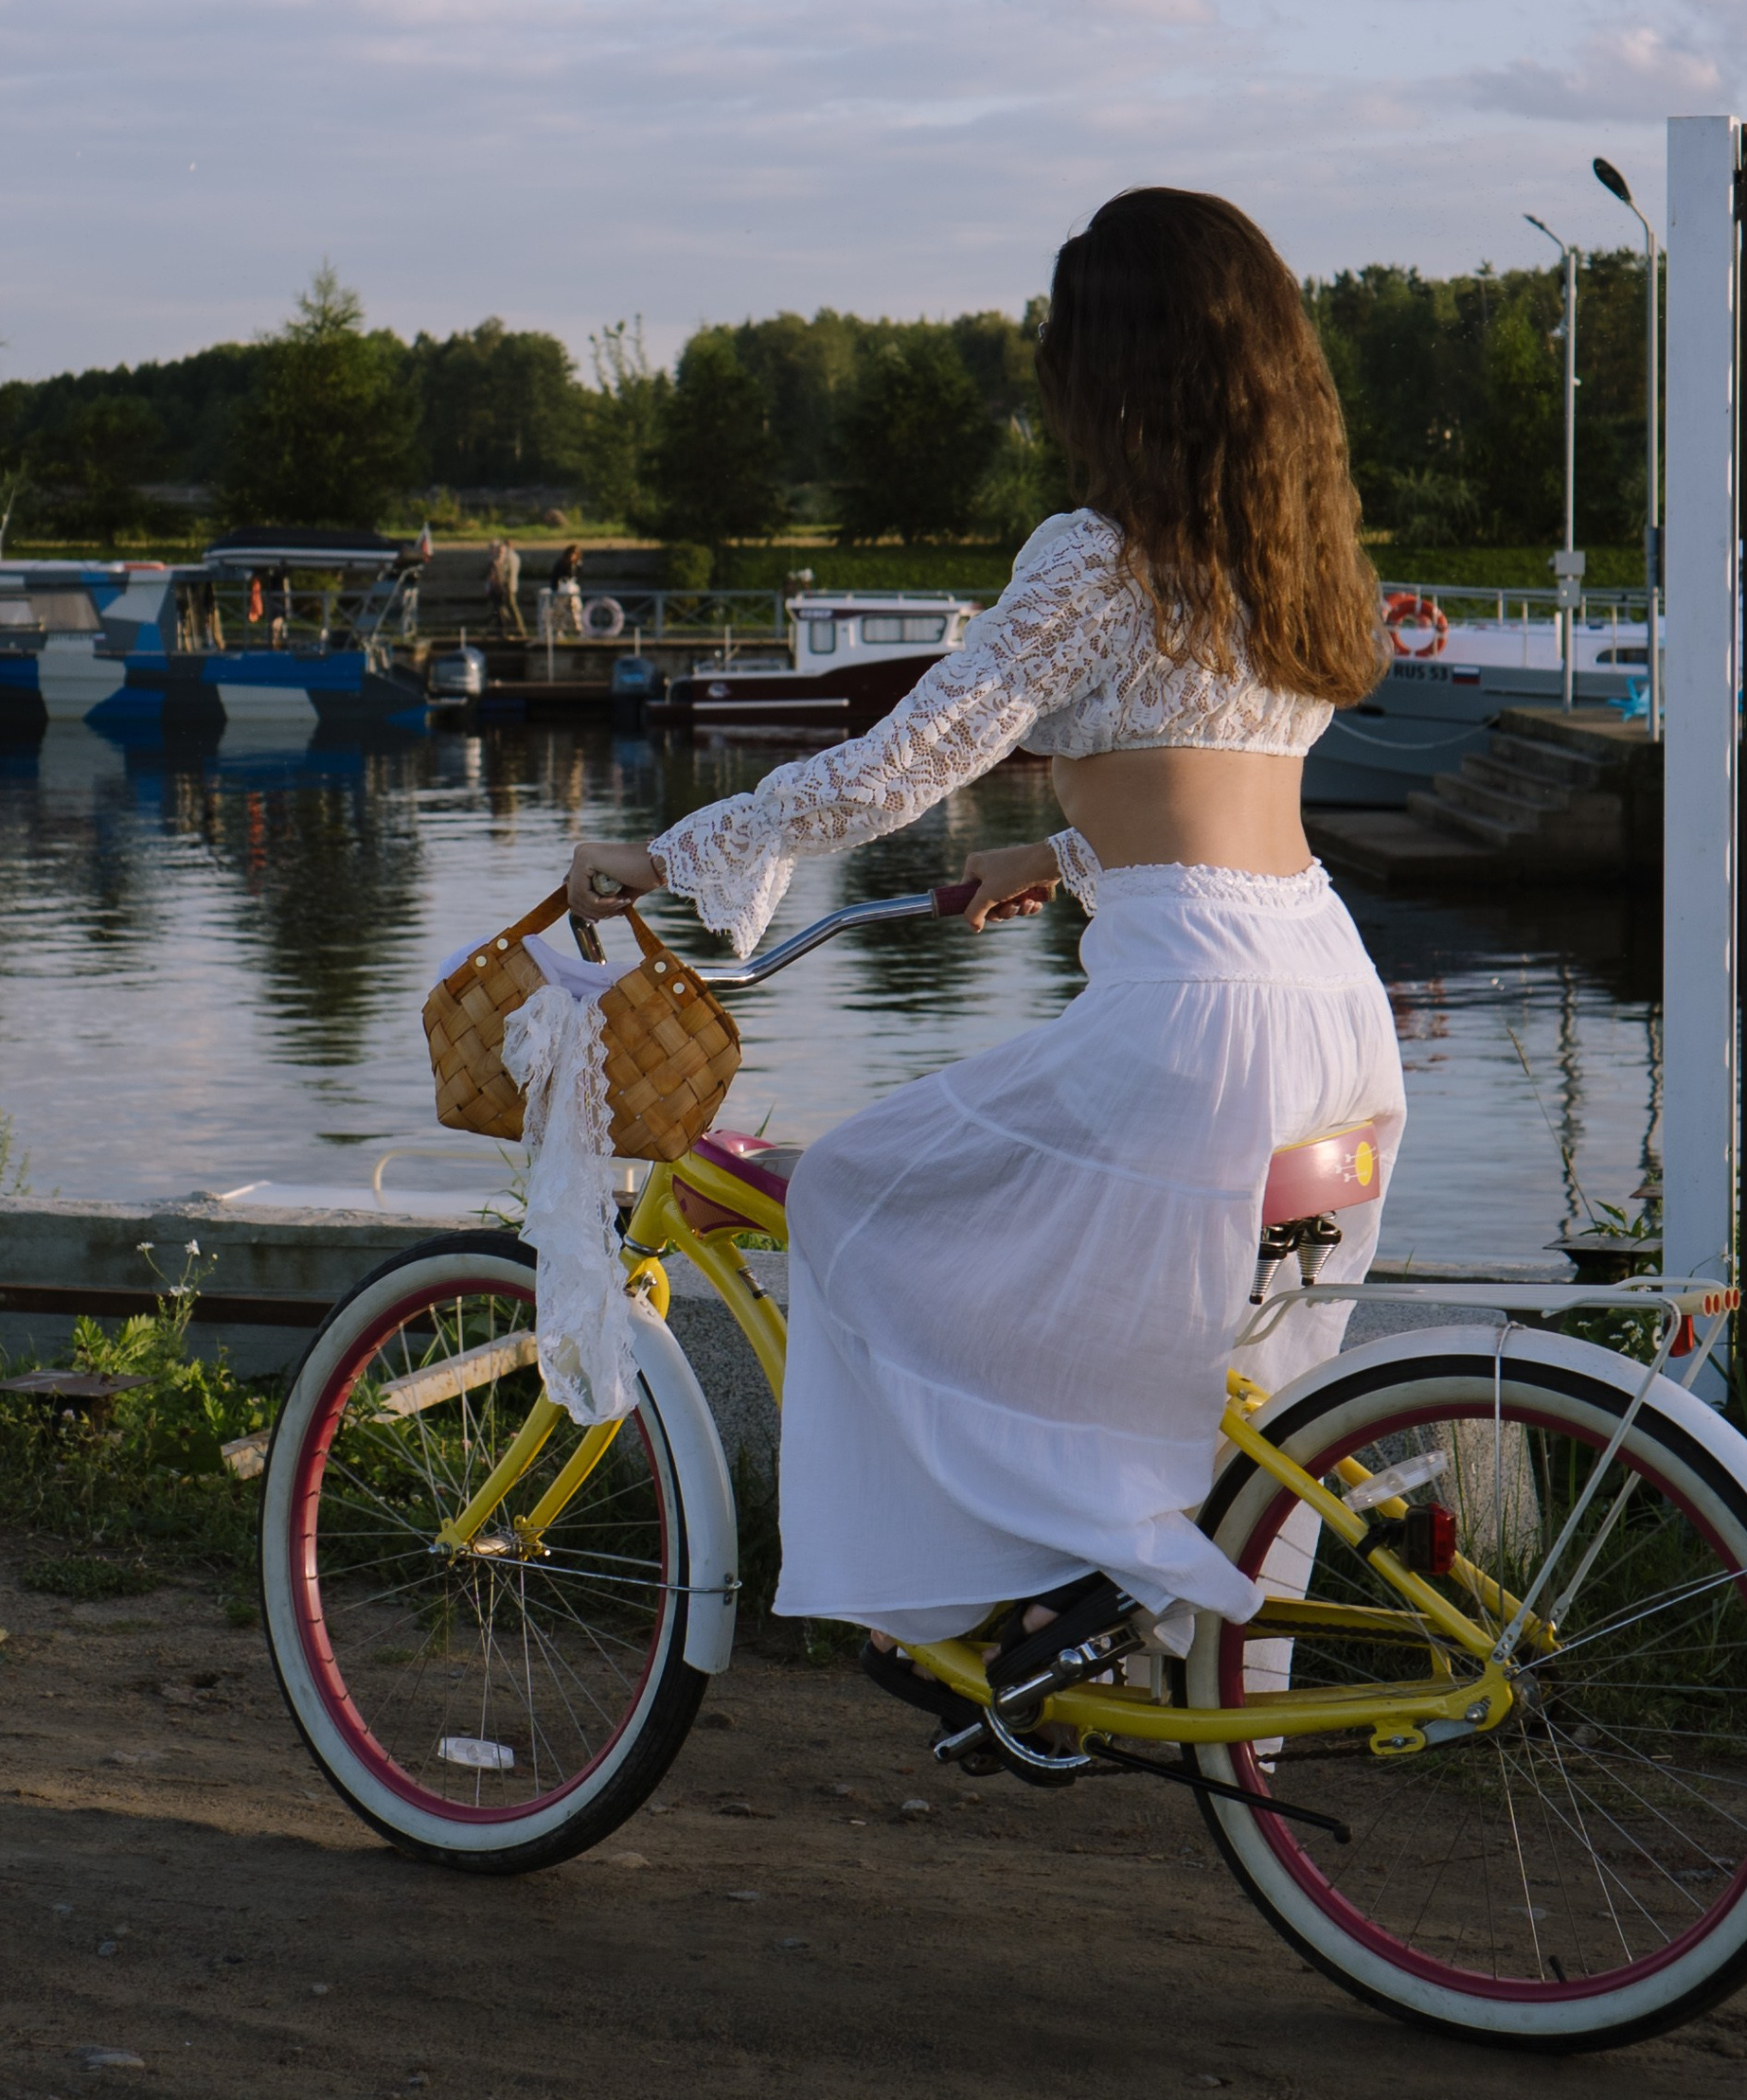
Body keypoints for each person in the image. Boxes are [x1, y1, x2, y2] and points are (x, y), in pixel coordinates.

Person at [567, 187, 1402, 1692]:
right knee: (1211, 1364)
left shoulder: (1096, 557)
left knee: (856, 1206)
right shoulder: (1290, 558)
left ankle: (991, 1598)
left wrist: (681, 848)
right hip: (1330, 1000)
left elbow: (906, 760)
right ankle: (1112, 1607)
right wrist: (1072, 851)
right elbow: (1222, 797)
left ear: (1116, 367)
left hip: (1196, 1023)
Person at [487, 536, 527, 641]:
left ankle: (516, 629)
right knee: (503, 609)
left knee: (505, 608)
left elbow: (503, 574)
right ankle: (511, 629)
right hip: (512, 586)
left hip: (505, 588)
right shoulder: (516, 556)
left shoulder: (505, 558)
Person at [546, 539, 585, 641]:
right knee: (560, 610)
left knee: (576, 609)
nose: (574, 556)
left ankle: (579, 630)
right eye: (573, 554)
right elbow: (555, 577)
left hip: (573, 588)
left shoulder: (578, 564)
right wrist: (555, 589)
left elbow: (579, 578)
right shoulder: (561, 564)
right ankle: (559, 631)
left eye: (576, 554)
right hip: (563, 588)